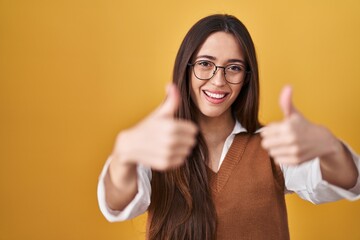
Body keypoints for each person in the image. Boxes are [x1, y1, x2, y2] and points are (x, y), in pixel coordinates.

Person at [97, 14, 360, 240]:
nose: (218, 80)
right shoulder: (158, 148)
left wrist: (332, 150)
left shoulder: (271, 147)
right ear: (185, 69)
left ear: (246, 79)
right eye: (205, 64)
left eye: (233, 68)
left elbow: (349, 181)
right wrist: (123, 157)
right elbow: (116, 204)